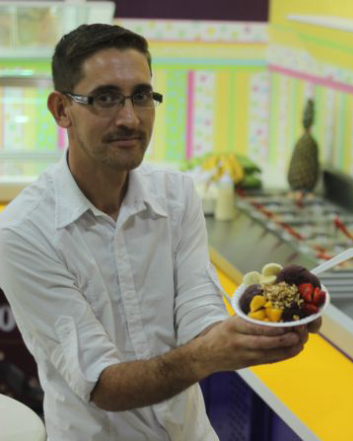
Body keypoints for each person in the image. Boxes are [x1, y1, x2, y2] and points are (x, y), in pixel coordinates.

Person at [0, 23, 320, 440]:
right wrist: (208, 355)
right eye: (106, 98)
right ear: (62, 110)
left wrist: (252, 332)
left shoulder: (177, 196)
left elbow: (198, 311)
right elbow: (102, 384)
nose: (130, 118)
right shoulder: (24, 233)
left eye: (142, 96)